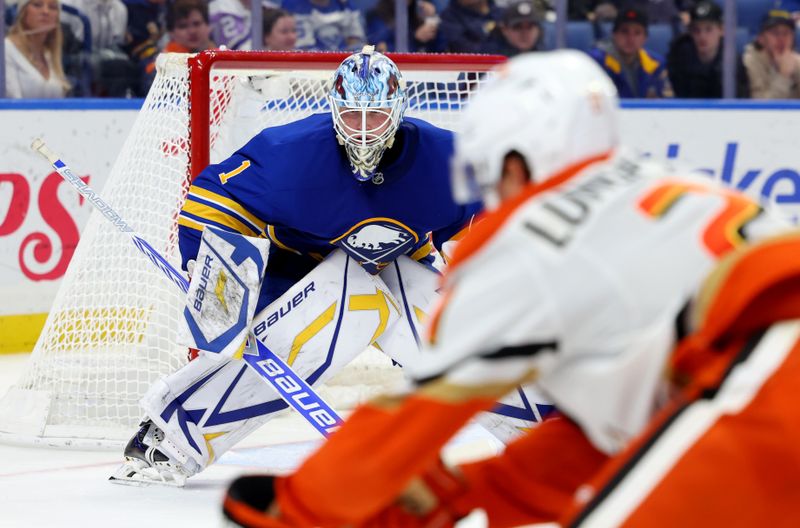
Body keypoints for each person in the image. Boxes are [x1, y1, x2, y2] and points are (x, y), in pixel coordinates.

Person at [218, 50, 794, 528]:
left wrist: (300, 506)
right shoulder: (655, 184)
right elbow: (612, 442)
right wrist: (468, 492)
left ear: (518, 157)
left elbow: (417, 413)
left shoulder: (534, 239)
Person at [109, 46, 485, 486]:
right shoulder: (291, 154)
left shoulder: (446, 160)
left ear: (398, 111)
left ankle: (543, 426)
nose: (363, 132)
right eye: (353, 117)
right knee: (347, 302)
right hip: (295, 273)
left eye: (375, 116)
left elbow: (481, 227)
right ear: (334, 111)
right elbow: (213, 197)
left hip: (395, 267)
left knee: (470, 335)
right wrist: (211, 271)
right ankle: (171, 436)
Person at [667, 1, 750, 98]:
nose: (702, 36)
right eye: (696, 30)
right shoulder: (679, 57)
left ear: (721, 30)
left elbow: (739, 103)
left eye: (708, 29)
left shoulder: (732, 63)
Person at [588, 6, 673, 97]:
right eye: (625, 32)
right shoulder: (596, 61)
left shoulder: (656, 63)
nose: (630, 39)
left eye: (637, 33)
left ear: (645, 38)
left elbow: (665, 101)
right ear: (614, 34)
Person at [5, 0, 70, 98]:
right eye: (37, 5)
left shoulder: (49, 55)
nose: (45, 11)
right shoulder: (6, 49)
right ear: (24, 12)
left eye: (52, 7)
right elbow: (13, 106)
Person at [743, 9, 800, 99]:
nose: (781, 39)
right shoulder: (750, 62)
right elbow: (761, 108)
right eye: (775, 33)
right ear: (760, 38)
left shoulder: (797, 61)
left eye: (786, 33)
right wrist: (783, 76)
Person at [281, 0, 366, 51]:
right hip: (312, 65)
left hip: (343, 62)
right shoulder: (294, 5)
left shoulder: (345, 4)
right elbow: (304, 48)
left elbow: (357, 42)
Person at [366, 0, 443, 53]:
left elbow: (440, 48)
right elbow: (381, 49)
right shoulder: (377, 15)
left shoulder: (417, 12)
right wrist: (415, 38)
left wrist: (433, 18)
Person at [439, 0, 503, 53]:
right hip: (470, 65)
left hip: (508, 63)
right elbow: (464, 48)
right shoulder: (449, 17)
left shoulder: (503, 13)